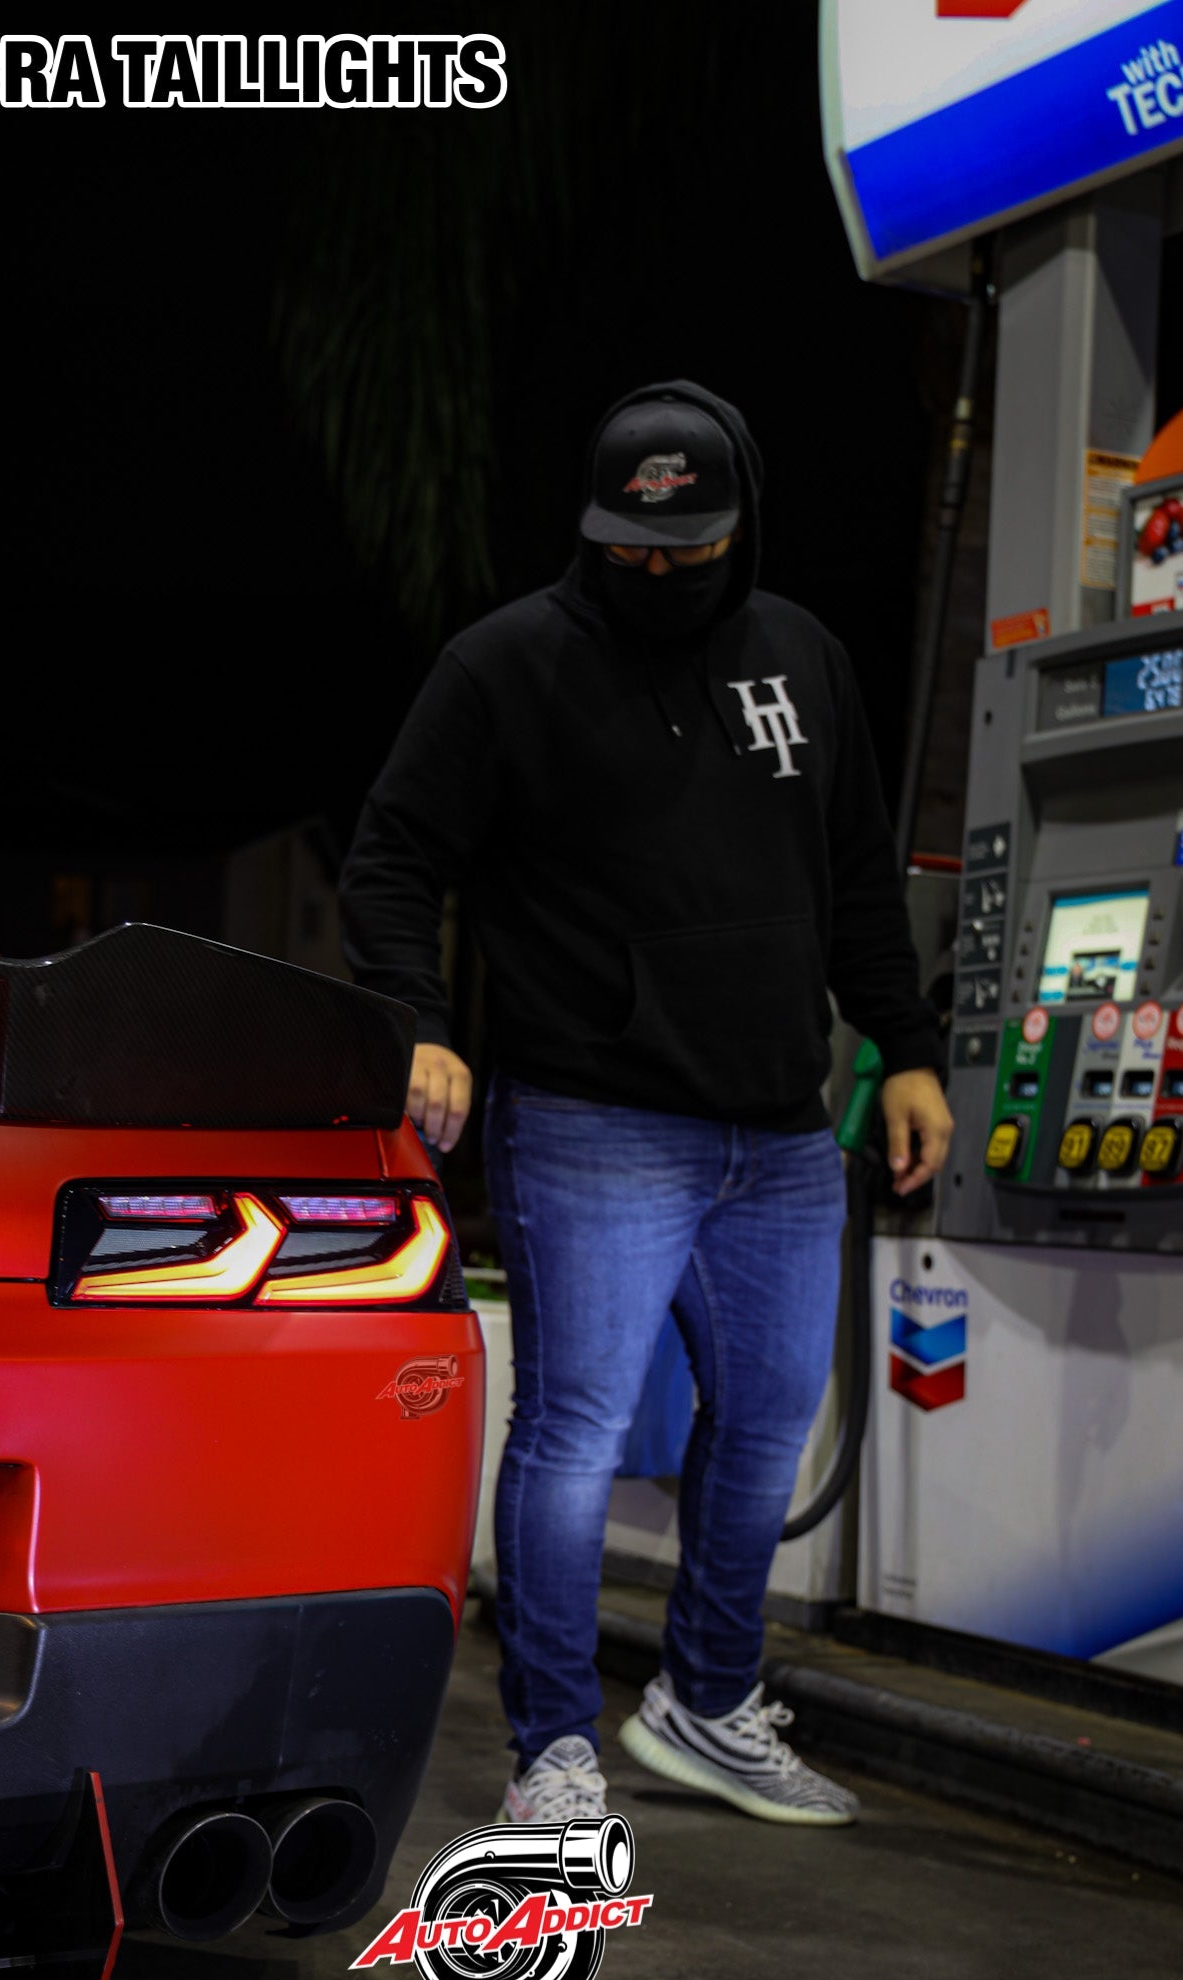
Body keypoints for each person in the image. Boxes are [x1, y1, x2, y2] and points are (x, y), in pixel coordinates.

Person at [339, 379, 953, 1829]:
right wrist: (417, 1026)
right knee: (575, 1434)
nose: (658, 570)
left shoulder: (800, 656)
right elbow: (391, 861)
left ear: (742, 521)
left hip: (779, 1130)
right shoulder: (504, 667)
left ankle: (707, 1703)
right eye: (628, 546)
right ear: (592, 525)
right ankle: (554, 1751)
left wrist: (908, 1046)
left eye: (688, 547)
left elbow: (855, 878)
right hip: (590, 1120)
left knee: (765, 1422)